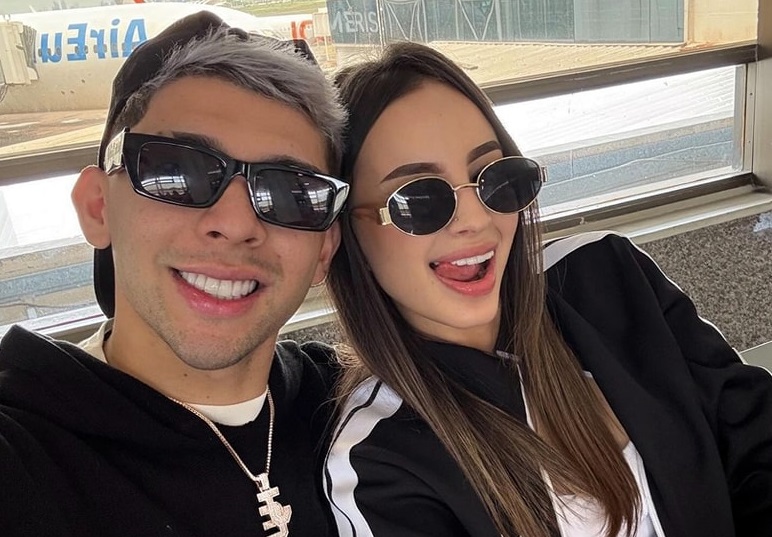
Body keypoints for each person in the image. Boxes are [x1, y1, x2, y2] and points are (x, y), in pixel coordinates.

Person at [322, 41, 772, 537]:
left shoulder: (603, 275)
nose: (477, 220)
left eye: (494, 179)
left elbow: (752, 433)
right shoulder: (377, 460)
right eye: (419, 199)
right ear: (345, 232)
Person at [0, 12, 349, 537]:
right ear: (98, 207)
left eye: (290, 193)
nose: (235, 225)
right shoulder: (23, 456)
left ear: (325, 249)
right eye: (177, 173)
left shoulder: (360, 410)